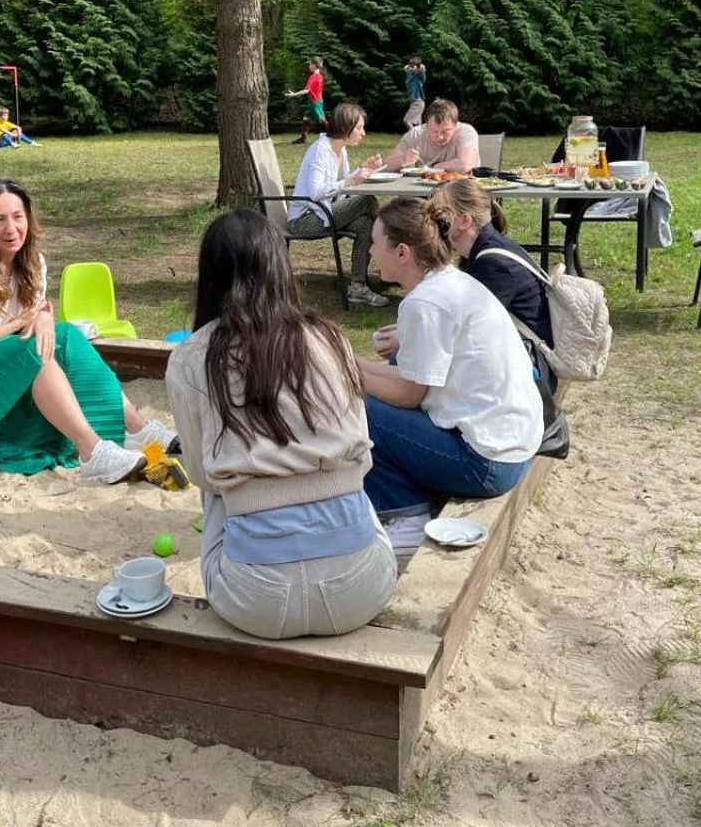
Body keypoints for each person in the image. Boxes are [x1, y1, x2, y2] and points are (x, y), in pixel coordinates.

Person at [166, 209, 397, 639]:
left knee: (221, 484)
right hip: (361, 589)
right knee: (351, 489)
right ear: (279, 267)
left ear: (210, 275)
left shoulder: (192, 357)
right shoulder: (331, 338)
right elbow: (361, 453)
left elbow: (202, 476)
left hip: (254, 600)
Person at [0, 178, 173, 480]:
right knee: (34, 351)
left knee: (67, 337)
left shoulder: (31, 261)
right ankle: (91, 450)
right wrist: (21, 323)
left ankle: (136, 427)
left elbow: (35, 311)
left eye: (17, 217)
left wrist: (41, 316)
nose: (11, 229)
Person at [357, 199, 544, 552]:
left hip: (488, 463)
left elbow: (409, 394)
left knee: (358, 407)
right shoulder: (449, 282)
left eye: (374, 242)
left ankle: (404, 517)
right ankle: (411, 496)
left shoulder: (424, 303)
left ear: (401, 252)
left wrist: (350, 375)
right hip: (515, 444)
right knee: (381, 372)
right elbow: (408, 376)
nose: (369, 250)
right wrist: (347, 361)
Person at [425, 179, 570, 455]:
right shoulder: (480, 253)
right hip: (522, 361)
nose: (432, 224)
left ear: (464, 220)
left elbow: (467, 332)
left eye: (439, 216)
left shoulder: (493, 264)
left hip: (532, 375)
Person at [287, 102, 389, 308]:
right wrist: (351, 181)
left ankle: (358, 287)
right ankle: (390, 237)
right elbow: (316, 193)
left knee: (364, 224)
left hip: (325, 213)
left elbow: (343, 186)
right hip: (306, 219)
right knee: (368, 201)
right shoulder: (321, 150)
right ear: (345, 128)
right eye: (359, 128)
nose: (363, 133)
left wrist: (364, 169)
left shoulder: (341, 150)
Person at [385, 98, 479, 174]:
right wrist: (403, 159)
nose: (439, 137)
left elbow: (465, 165)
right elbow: (385, 166)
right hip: (421, 191)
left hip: (459, 190)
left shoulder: (466, 132)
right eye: (434, 131)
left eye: (445, 131)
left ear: (455, 126)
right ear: (426, 125)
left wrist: (434, 167)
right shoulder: (415, 134)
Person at [285, 56, 326, 145]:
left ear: (314, 65)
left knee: (321, 119)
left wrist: (294, 95)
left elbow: (306, 90)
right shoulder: (319, 76)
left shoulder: (315, 77)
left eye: (310, 64)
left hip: (315, 102)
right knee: (306, 118)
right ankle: (303, 138)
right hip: (314, 101)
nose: (309, 66)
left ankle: (336, 135)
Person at [402, 57, 427, 130]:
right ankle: (420, 139)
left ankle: (414, 137)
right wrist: (412, 66)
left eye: (413, 67)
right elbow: (406, 68)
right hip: (413, 102)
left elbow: (422, 70)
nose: (411, 68)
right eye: (410, 67)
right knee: (418, 125)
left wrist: (419, 67)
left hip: (418, 102)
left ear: (418, 68)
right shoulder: (409, 75)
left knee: (406, 120)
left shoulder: (419, 77)